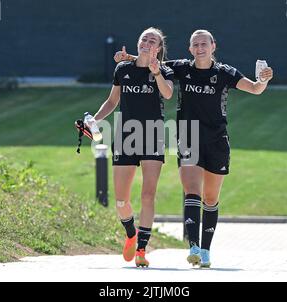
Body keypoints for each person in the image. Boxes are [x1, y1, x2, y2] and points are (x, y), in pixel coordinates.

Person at [114, 29, 273, 268]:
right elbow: (152, 63)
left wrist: (263, 79)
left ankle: (206, 250)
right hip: (188, 136)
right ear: (190, 49)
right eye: (195, 45)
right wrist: (128, 59)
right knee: (191, 191)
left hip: (217, 140)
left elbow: (254, 88)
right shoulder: (182, 68)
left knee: (211, 198)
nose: (199, 48)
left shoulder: (224, 72)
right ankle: (194, 247)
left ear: (213, 46)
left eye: (204, 44)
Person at [93, 27, 174, 267]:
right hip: (126, 136)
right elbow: (112, 101)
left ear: (158, 49)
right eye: (144, 39)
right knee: (121, 200)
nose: (147, 42)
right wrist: (93, 120)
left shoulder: (164, 70)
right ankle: (131, 234)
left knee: (148, 194)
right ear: (139, 43)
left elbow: (168, 94)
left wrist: (157, 72)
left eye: (153, 41)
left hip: (152, 135)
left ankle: (142, 250)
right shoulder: (123, 69)